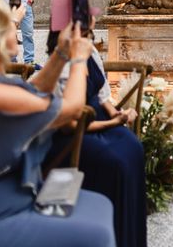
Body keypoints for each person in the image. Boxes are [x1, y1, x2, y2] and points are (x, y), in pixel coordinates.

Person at [0, 0, 116, 246]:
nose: (18, 27)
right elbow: (71, 109)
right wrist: (78, 60)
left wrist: (61, 53)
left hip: (12, 190)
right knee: (97, 232)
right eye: (12, 24)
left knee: (100, 204)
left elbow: (34, 91)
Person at [46, 20, 147, 247]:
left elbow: (103, 96)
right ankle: (112, 234)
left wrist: (118, 116)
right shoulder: (61, 62)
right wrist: (112, 124)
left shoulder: (89, 50)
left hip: (100, 118)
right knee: (115, 162)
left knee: (133, 146)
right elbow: (69, 125)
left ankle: (131, 237)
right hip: (74, 134)